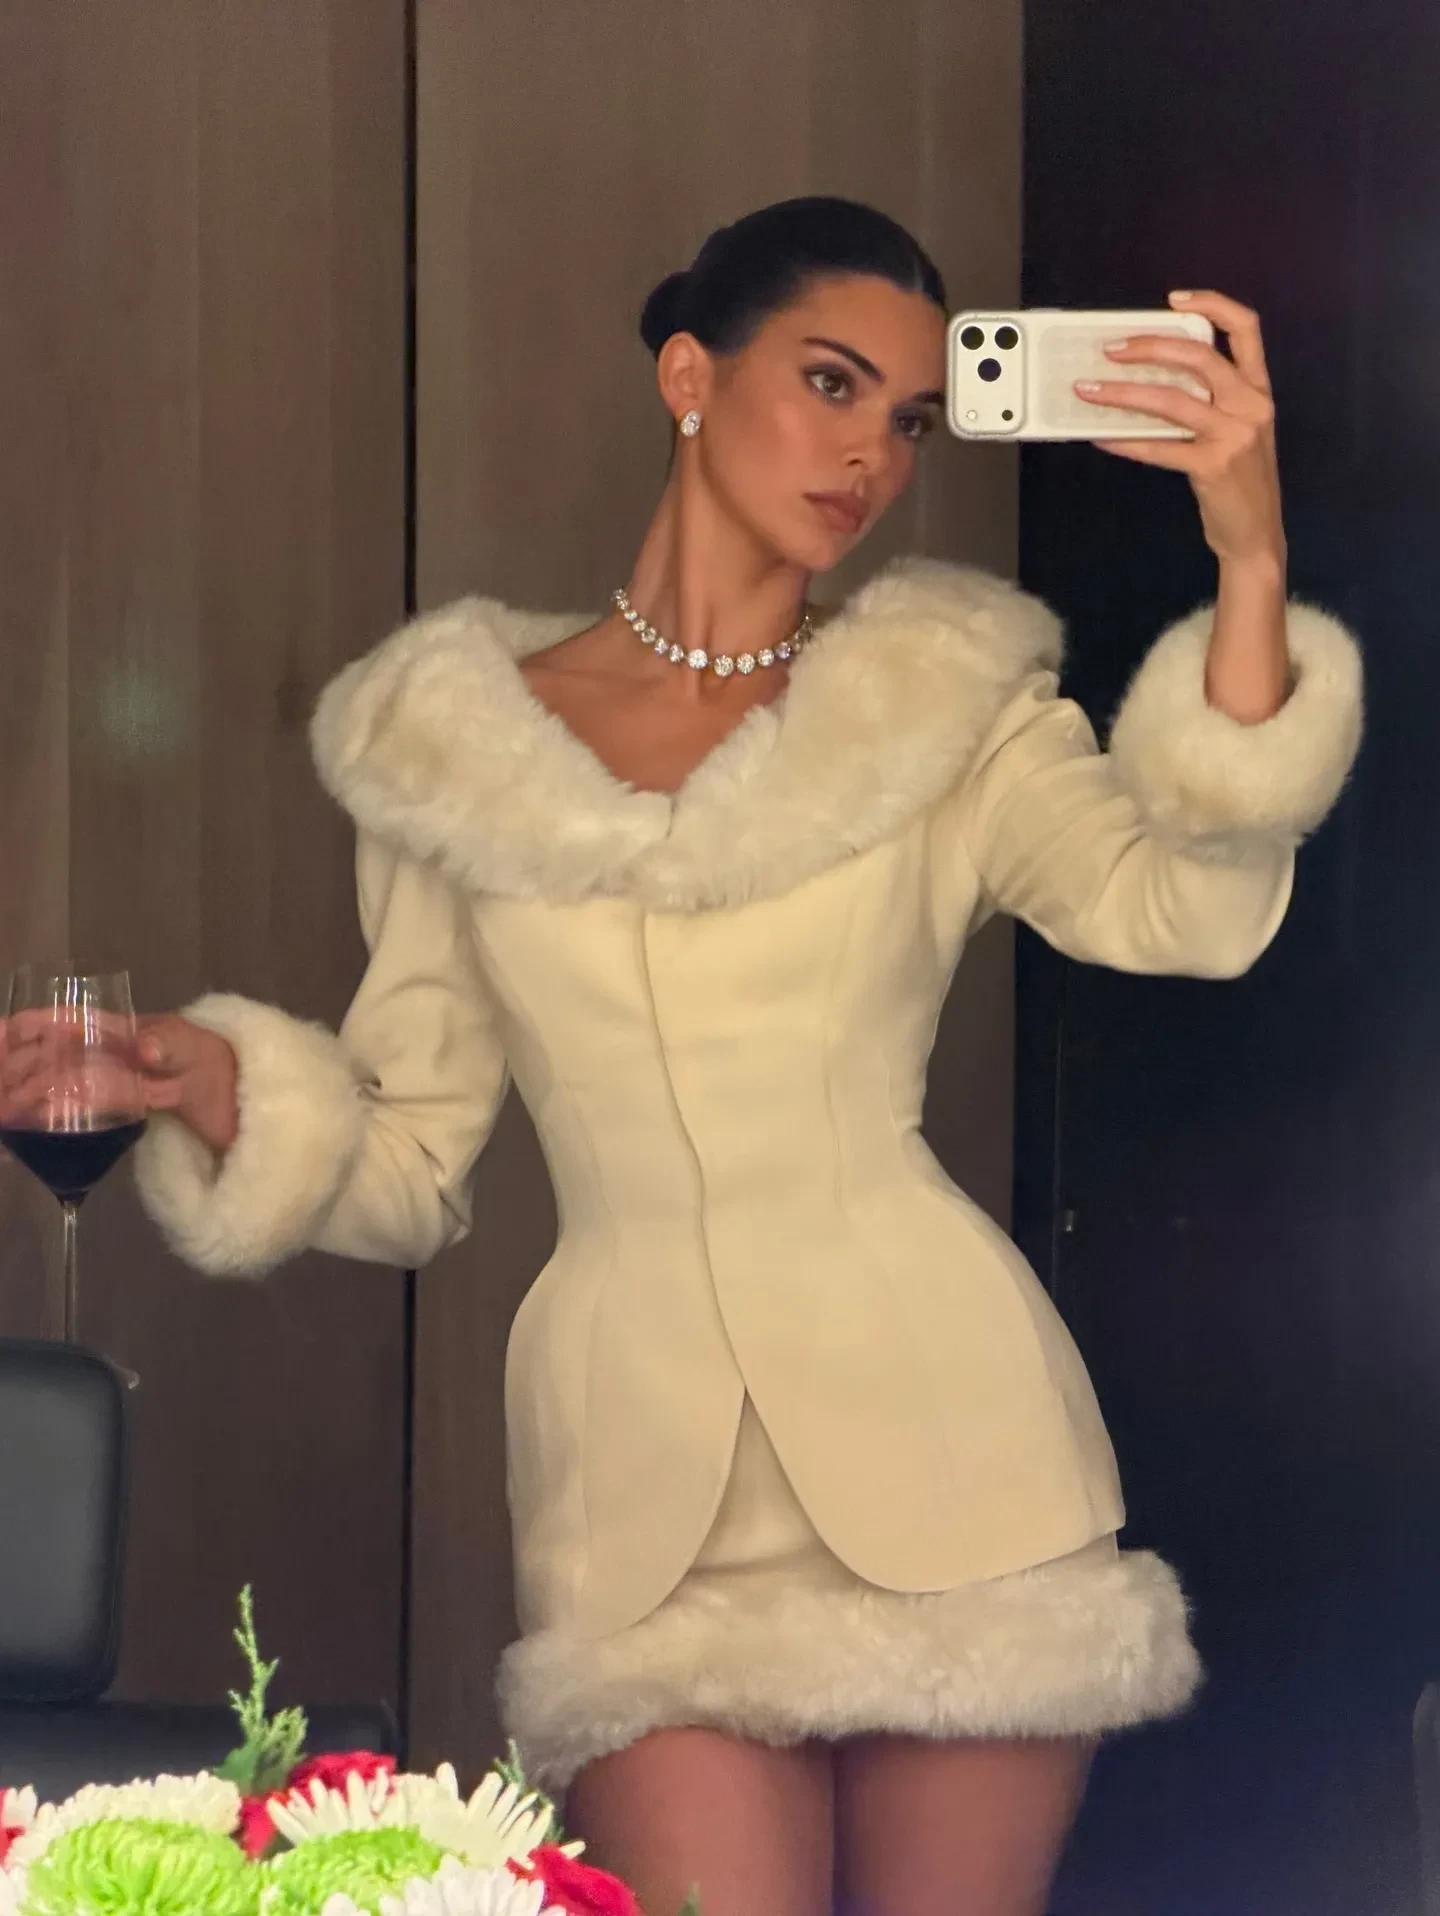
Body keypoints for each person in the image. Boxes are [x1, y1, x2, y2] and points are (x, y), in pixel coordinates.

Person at [124, 199, 1362, 1916]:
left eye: (908, 420)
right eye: (831, 384)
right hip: (640, 1503)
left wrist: (1253, 562)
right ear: (691, 376)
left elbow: (1187, 908)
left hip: (960, 1454)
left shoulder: (944, 708)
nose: (869, 455)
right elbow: (410, 1162)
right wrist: (219, 1086)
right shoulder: (445, 748)